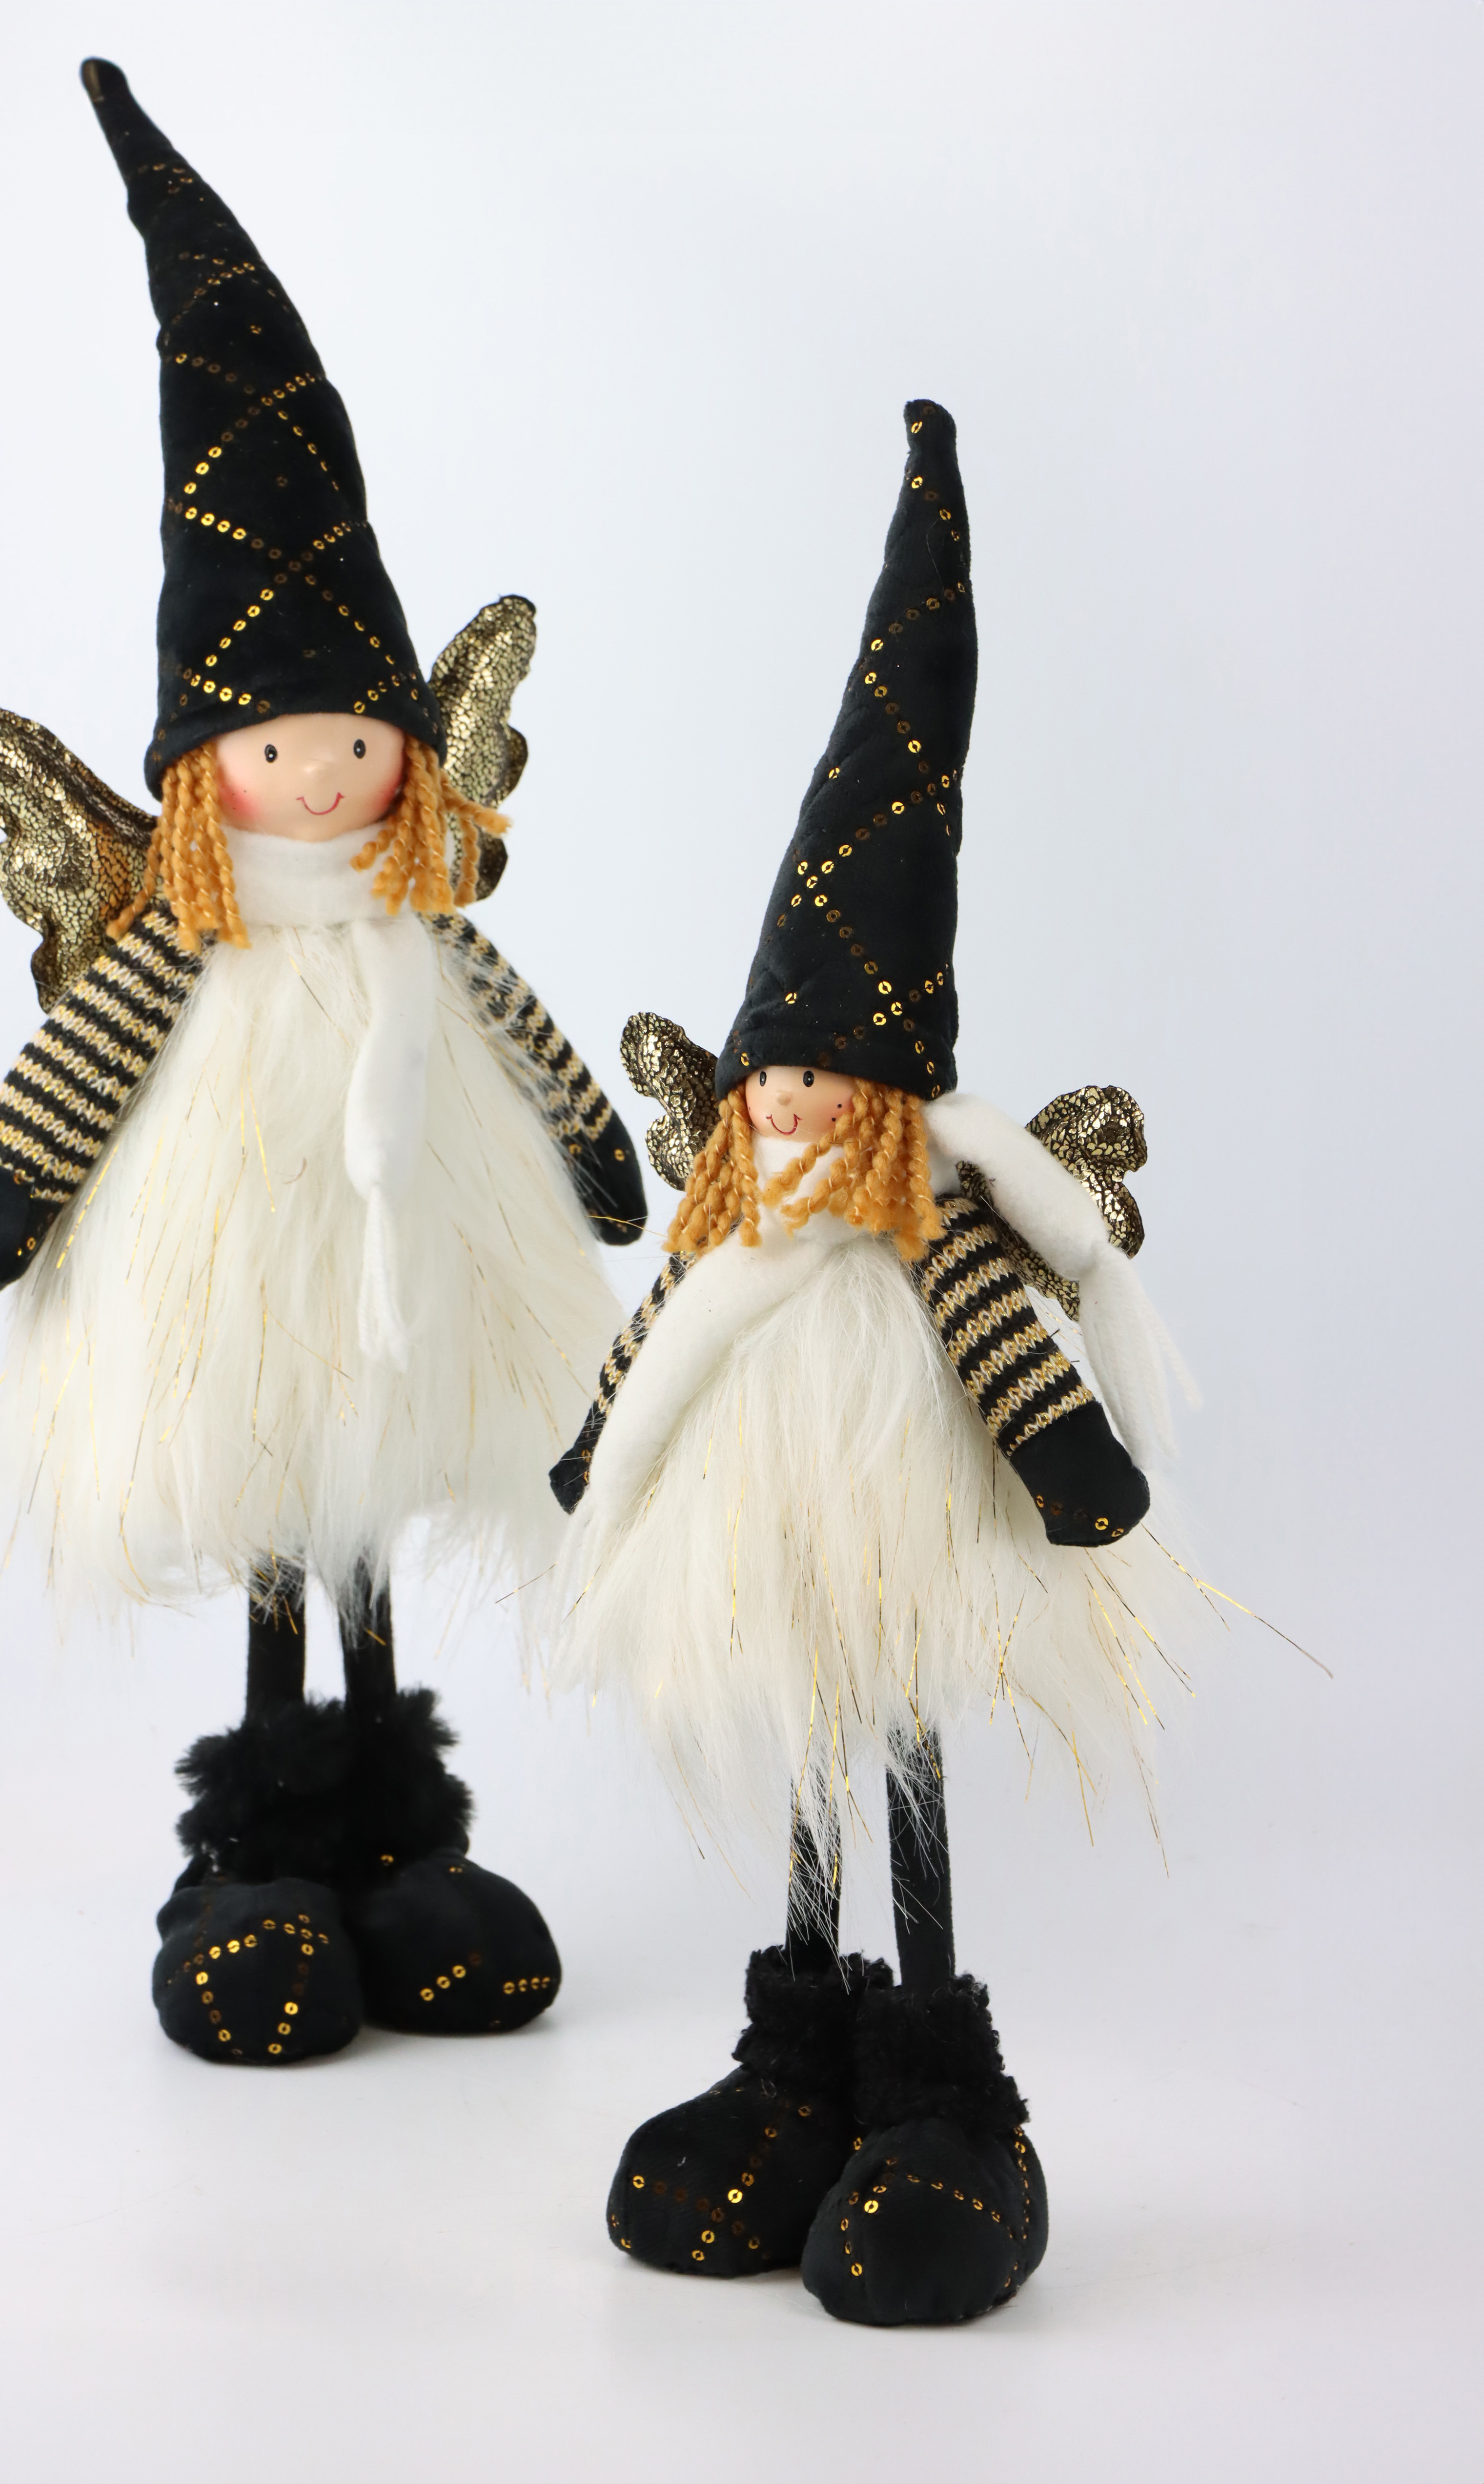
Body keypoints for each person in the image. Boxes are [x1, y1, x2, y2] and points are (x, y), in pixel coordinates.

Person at [0, 61, 646, 2067]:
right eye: (280, 742)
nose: (329, 770)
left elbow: (534, 1056)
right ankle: (256, 1854)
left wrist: (600, 1162)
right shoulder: (190, 934)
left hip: (412, 1288)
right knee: (279, 1520)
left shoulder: (419, 923)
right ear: (204, 767)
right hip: (244, 1282)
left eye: (356, 735)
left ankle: (400, 1846)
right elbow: (80, 1071)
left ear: (406, 743)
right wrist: (6, 1204)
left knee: (376, 1534)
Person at [549, 400, 1200, 2324]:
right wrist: (592, 1458)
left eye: (825, 1074)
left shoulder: (932, 1238)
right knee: (805, 1782)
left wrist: (1077, 1475)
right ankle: (798, 2063)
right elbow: (659, 1343)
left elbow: (1011, 1358)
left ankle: (934, 2090)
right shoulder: (738, 1225)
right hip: (769, 1558)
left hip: (902, 1554)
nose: (789, 1101)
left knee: (898, 1764)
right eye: (774, 1070)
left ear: (897, 1090)